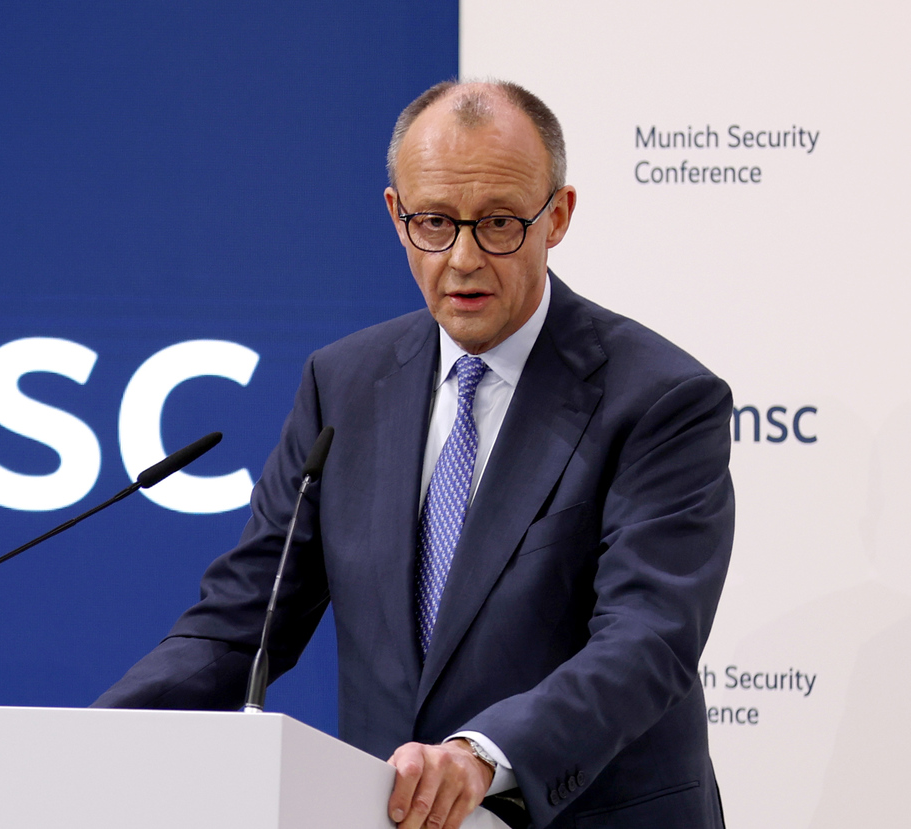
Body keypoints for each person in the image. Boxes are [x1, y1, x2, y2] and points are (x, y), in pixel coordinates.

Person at [95, 80, 734, 829]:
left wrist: (480, 754)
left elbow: (646, 639)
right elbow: (244, 622)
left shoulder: (659, 398)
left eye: (499, 223)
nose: (462, 258)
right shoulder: (343, 384)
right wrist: (92, 738)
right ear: (397, 215)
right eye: (434, 222)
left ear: (557, 216)